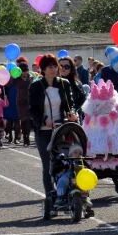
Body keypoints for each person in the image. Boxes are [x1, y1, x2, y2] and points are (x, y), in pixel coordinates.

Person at [29, 54, 79, 195]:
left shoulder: (64, 83)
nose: (53, 69)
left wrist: (72, 113)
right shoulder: (36, 86)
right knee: (48, 164)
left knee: (68, 160)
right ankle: (50, 194)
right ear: (43, 69)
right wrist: (44, 120)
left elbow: (70, 104)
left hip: (62, 128)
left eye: (55, 66)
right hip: (44, 130)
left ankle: (67, 189)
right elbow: (32, 109)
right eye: (49, 67)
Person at [15, 62, 32, 146]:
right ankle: (24, 135)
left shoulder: (31, 78)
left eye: (26, 71)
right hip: (21, 102)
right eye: (23, 71)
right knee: (23, 120)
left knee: (28, 120)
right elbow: (10, 83)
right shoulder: (17, 79)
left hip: (30, 101)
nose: (25, 72)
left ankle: (27, 136)